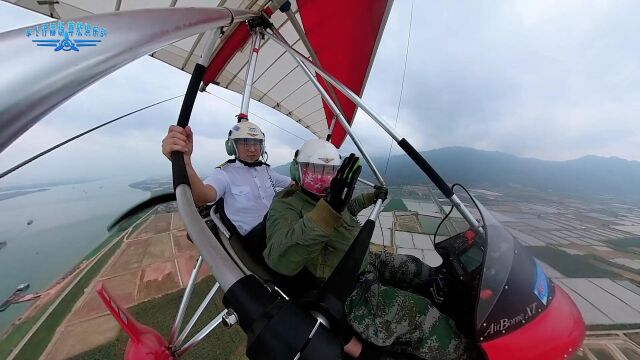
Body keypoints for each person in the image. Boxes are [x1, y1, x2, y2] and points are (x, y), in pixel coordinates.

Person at [263, 139, 475, 360]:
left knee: (416, 266)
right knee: (422, 314)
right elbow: (279, 258)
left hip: (364, 259)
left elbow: (346, 212)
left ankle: (450, 297)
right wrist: (328, 209)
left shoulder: (331, 196)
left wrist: (370, 197)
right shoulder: (286, 204)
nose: (323, 176)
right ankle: (466, 355)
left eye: (330, 170)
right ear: (296, 170)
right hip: (347, 289)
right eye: (315, 169)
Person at [161, 121, 292, 251]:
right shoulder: (224, 173)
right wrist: (185, 163)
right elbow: (204, 196)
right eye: (245, 143)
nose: (252, 149)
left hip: (277, 225)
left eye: (256, 143)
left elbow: (291, 184)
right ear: (231, 146)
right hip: (256, 238)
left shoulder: (267, 170)